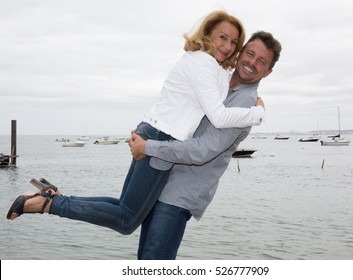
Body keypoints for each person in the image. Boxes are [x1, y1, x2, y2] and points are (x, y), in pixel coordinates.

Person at [6, 11, 265, 235]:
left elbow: (215, 89)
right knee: (127, 220)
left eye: (234, 42)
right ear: (207, 33)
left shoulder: (205, 64)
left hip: (154, 130)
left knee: (124, 207)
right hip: (161, 137)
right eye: (223, 37)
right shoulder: (203, 64)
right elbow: (219, 116)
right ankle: (48, 204)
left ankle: (53, 198)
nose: (229, 46)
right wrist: (257, 113)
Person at [130, 31, 282, 259]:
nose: (252, 62)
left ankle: (57, 203)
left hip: (178, 197)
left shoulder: (244, 102)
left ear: (268, 72)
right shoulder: (218, 81)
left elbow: (202, 150)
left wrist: (147, 147)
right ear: (240, 53)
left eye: (261, 61)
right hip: (162, 184)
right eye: (249, 54)